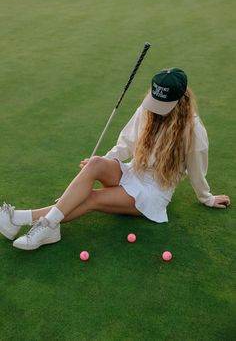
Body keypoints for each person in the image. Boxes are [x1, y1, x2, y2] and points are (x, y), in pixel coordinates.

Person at [0, 68, 230, 250]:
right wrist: (98, 167)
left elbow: (198, 171)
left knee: (90, 199)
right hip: (133, 171)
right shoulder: (148, 109)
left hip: (152, 193)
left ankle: (29, 221)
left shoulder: (194, 131)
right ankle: (39, 222)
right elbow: (125, 143)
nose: (156, 110)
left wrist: (206, 197)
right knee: (96, 162)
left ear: (180, 102)